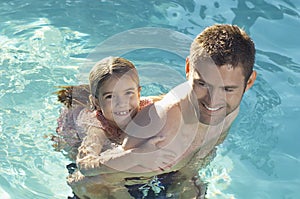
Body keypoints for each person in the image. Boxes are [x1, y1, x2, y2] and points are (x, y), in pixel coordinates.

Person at [67, 24, 257, 199]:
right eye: (202, 84)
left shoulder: (229, 109)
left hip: (165, 174)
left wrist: (186, 179)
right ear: (188, 68)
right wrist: (136, 157)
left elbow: (206, 149)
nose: (213, 101)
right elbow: (88, 180)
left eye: (228, 89)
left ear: (248, 82)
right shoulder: (158, 128)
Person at [52, 56, 175, 198]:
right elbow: (84, 164)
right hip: (75, 134)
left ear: (139, 93)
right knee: (86, 181)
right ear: (96, 103)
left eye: (129, 93)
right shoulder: (96, 126)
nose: (122, 103)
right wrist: (134, 156)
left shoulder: (147, 107)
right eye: (110, 97)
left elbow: (181, 99)